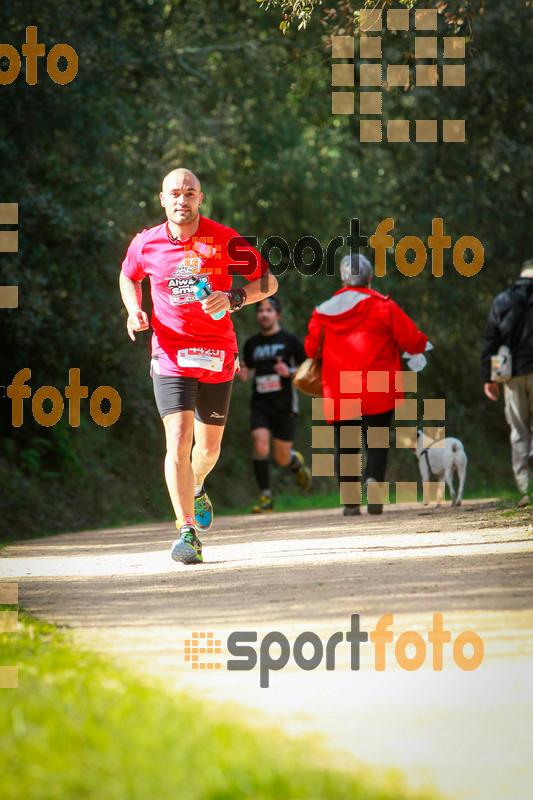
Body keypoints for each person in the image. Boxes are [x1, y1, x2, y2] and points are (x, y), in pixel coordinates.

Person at [119, 168, 278, 564]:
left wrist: (235, 297)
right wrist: (134, 310)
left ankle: (199, 482)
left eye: (190, 193)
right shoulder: (146, 243)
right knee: (177, 439)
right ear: (162, 199)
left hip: (217, 354)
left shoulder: (224, 239)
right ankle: (187, 532)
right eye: (175, 193)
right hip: (170, 353)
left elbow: (269, 282)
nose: (182, 200)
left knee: (207, 450)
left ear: (200, 199)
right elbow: (128, 276)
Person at [304, 253, 428, 516]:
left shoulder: (323, 311)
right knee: (377, 441)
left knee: (346, 444)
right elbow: (412, 340)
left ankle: (350, 499)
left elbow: (311, 348)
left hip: (339, 387)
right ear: (370, 278)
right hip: (379, 385)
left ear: (342, 278)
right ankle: (372, 481)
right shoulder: (385, 307)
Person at [238, 296, 312, 512]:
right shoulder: (251, 343)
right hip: (260, 403)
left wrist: (289, 371)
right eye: (260, 311)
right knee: (259, 444)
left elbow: (309, 368)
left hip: (285, 404)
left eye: (269, 311)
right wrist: (243, 373)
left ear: (278, 315)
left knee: (281, 458)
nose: (264, 314)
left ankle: (293, 460)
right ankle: (266, 498)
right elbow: (249, 369)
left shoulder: (290, 340)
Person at [481, 260, 533, 508]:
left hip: (511, 375)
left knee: (519, 430)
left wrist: (488, 377)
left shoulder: (503, 300)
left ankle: (527, 488)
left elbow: (490, 341)